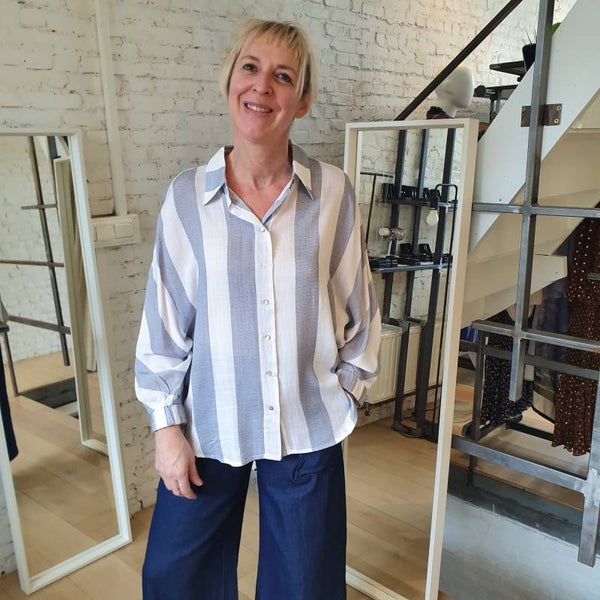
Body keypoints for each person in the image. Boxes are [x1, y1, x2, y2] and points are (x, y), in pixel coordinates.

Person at [135, 19, 381, 600]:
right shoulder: (186, 198)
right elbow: (164, 325)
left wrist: (345, 393)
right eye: (250, 67)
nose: (262, 86)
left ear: (302, 100)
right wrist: (165, 428)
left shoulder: (332, 193)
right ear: (229, 81)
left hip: (306, 428)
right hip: (207, 429)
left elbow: (361, 312)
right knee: (173, 580)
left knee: (304, 588)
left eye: (283, 76)